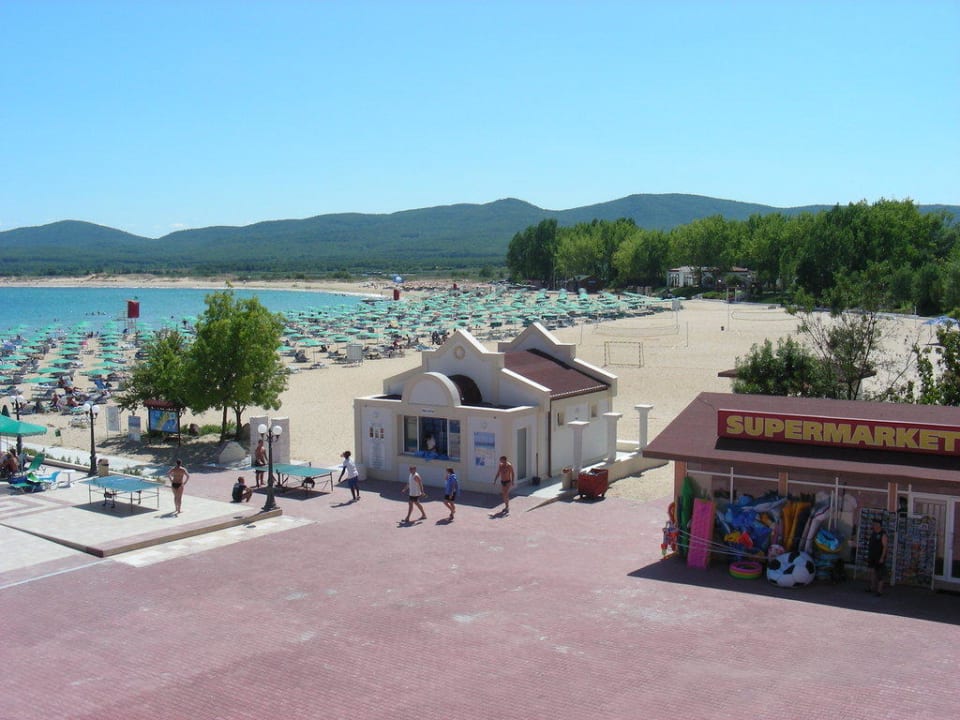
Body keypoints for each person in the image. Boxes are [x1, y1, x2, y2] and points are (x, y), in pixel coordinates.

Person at [866, 518, 888, 596]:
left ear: (879, 525)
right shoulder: (873, 533)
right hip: (872, 556)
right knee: (871, 572)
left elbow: (885, 547)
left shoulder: (883, 534)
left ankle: (879, 591)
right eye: (873, 524)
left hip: (879, 557)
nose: (873, 525)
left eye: (875, 524)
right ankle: (872, 587)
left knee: (880, 574)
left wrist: (882, 557)